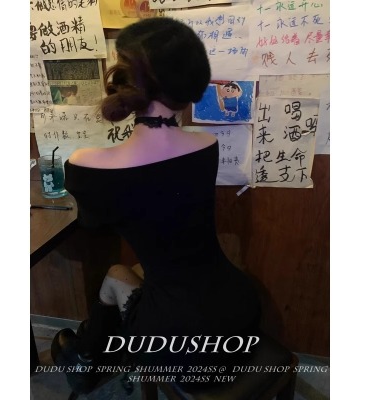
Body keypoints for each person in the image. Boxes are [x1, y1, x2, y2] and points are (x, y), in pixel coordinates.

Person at [51, 17, 261, 396]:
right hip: (240, 309)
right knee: (138, 272)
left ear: (127, 81)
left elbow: (94, 223)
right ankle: (87, 353)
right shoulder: (206, 146)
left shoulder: (86, 164)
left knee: (117, 272)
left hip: (184, 344)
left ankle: (86, 358)